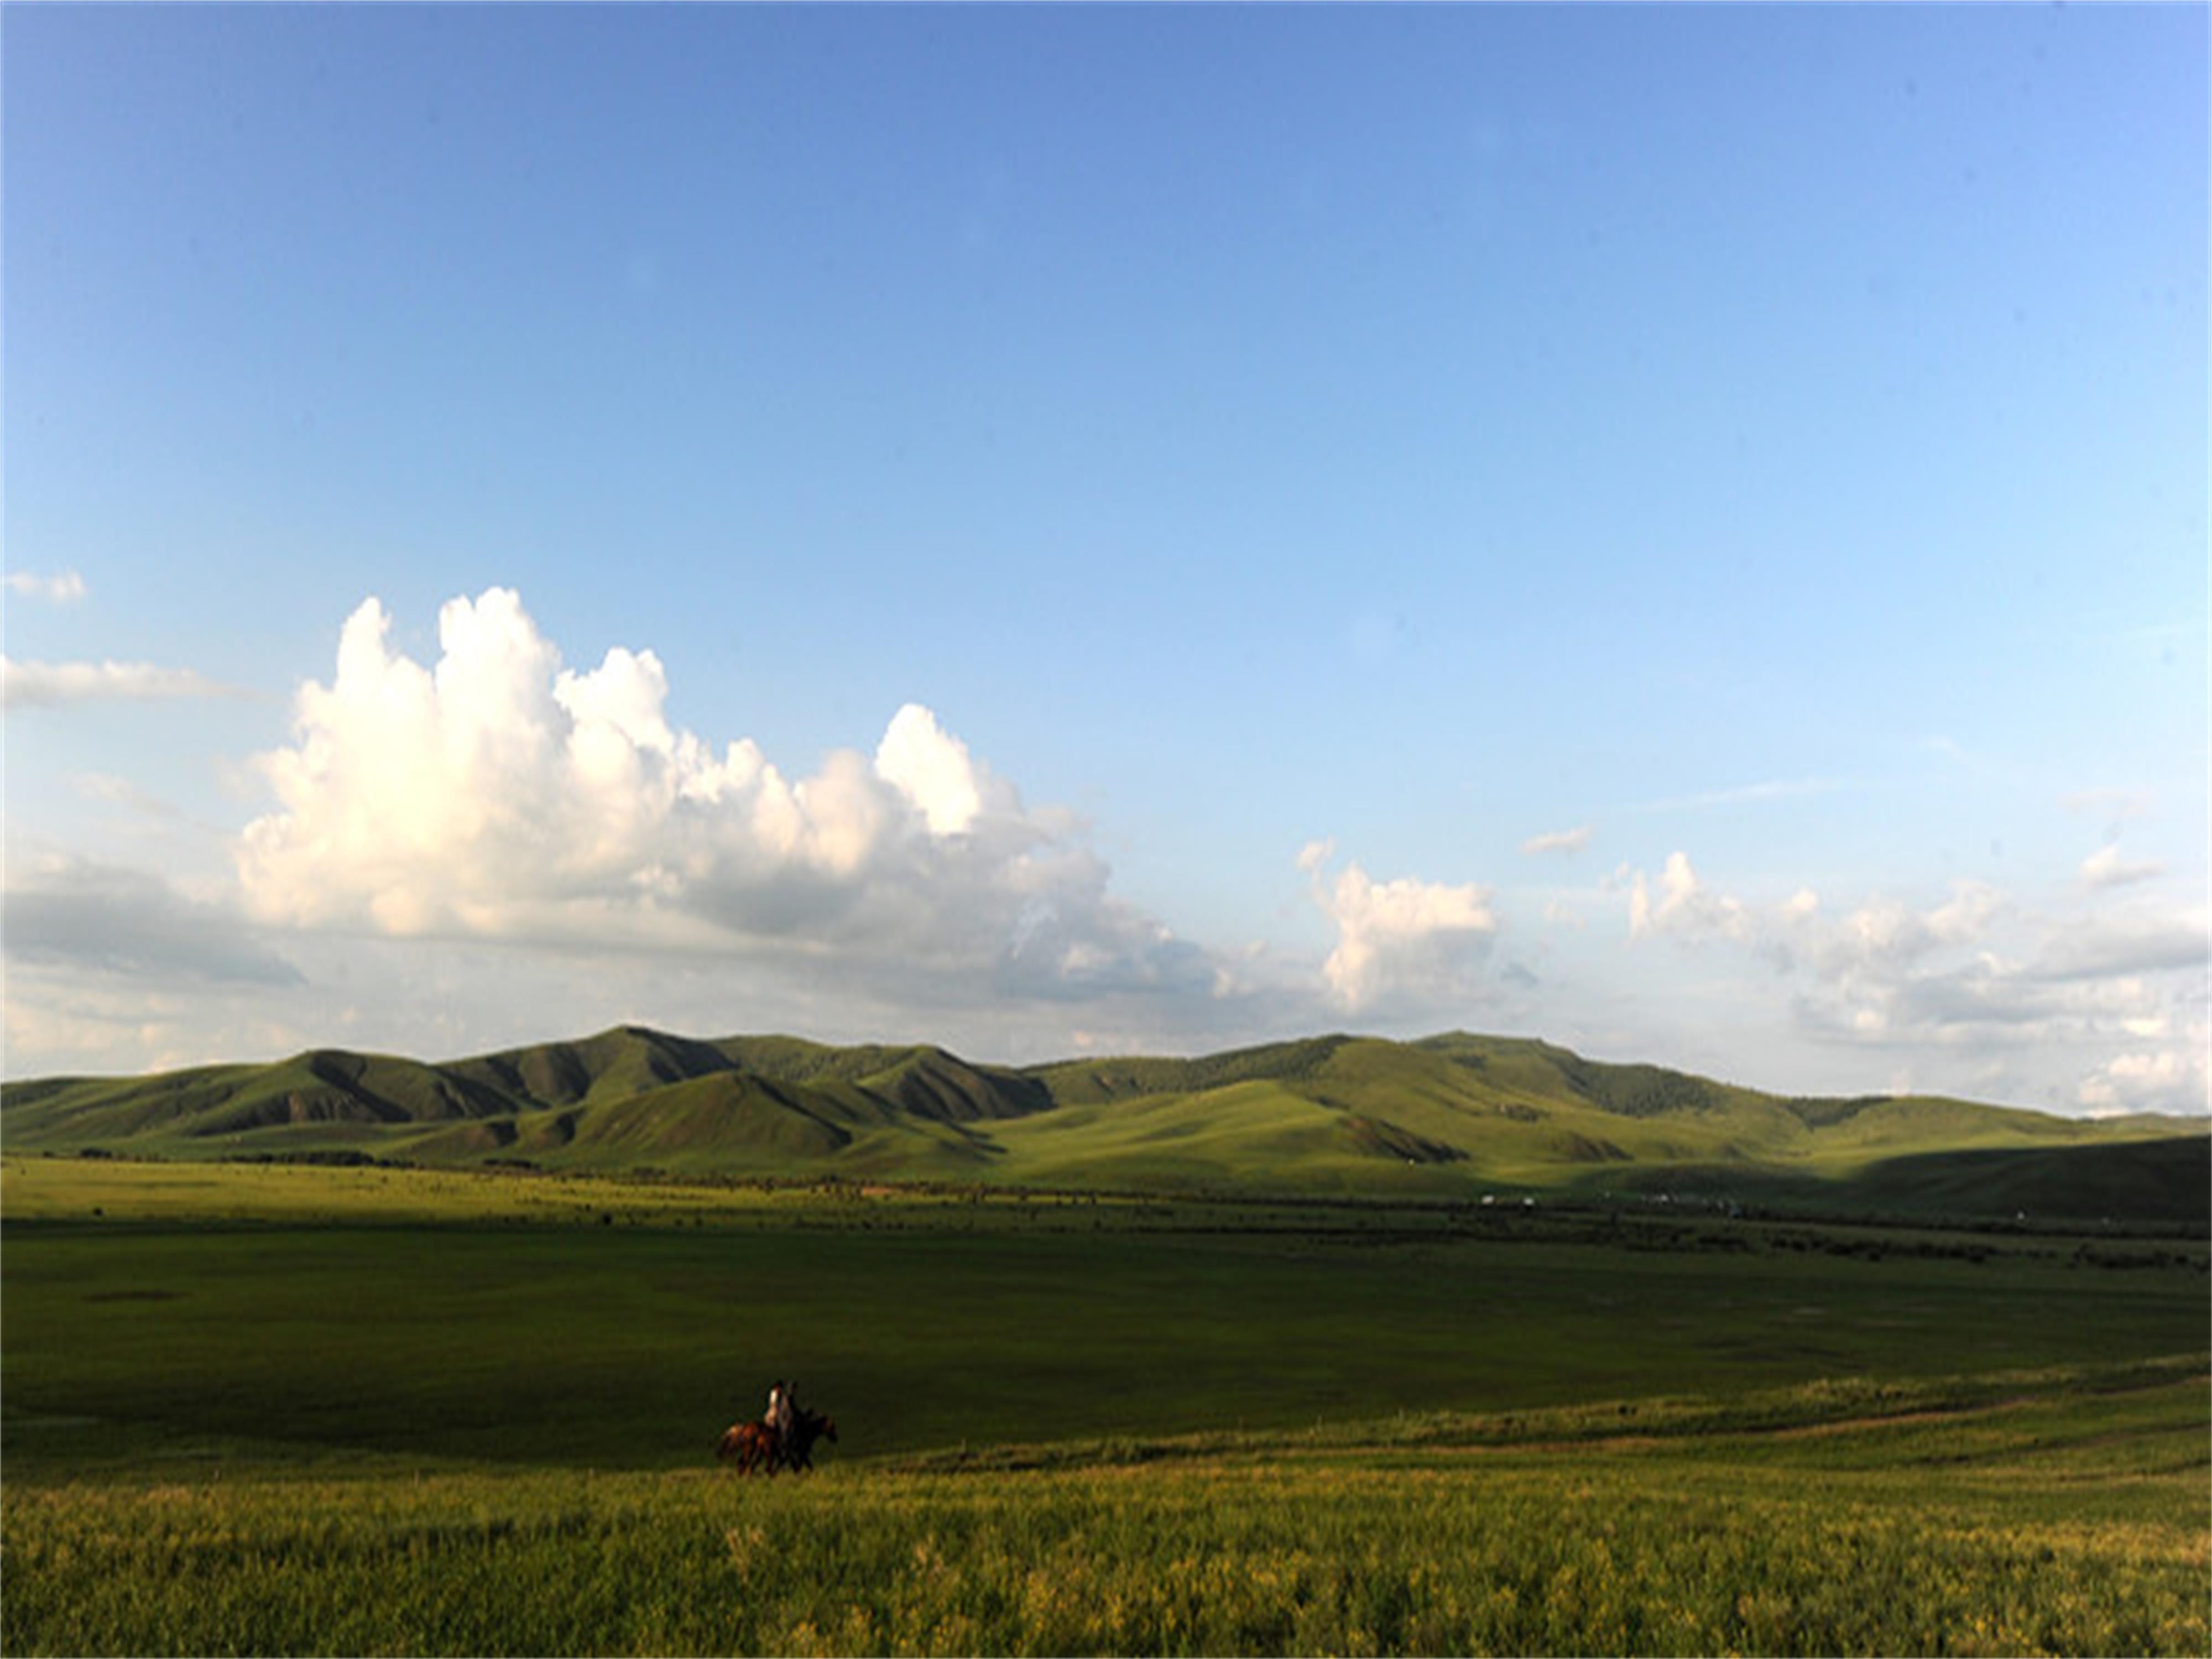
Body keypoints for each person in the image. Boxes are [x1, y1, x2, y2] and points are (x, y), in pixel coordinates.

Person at [765, 1379, 795, 1470]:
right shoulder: (774, 1394)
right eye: (780, 1388)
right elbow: (774, 1404)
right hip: (774, 1411)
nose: (781, 1390)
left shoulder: (779, 1394)